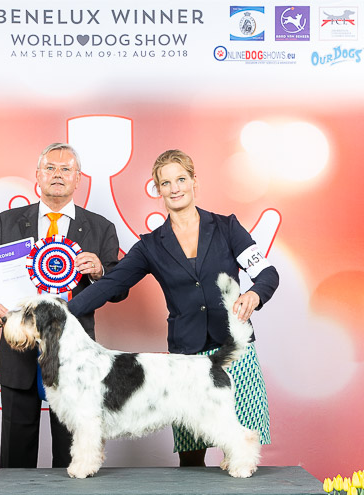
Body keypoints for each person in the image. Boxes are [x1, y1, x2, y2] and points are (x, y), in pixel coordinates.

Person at [68, 149, 279, 466]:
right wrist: (61, 311)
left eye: (181, 179)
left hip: (236, 351)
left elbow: (267, 273)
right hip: (186, 359)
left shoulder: (227, 227)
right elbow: (111, 285)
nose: (175, 188)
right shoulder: (150, 245)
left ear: (194, 181)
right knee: (192, 460)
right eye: (166, 183)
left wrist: (255, 294)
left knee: (241, 448)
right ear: (158, 189)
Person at [0, 143, 121, 469]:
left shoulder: (101, 227)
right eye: (50, 168)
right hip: (18, 349)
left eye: (66, 169)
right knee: (15, 456)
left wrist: (101, 271)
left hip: (75, 356)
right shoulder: (8, 222)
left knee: (71, 455)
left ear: (78, 178)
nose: (57, 175)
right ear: (37, 175)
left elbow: (119, 290)